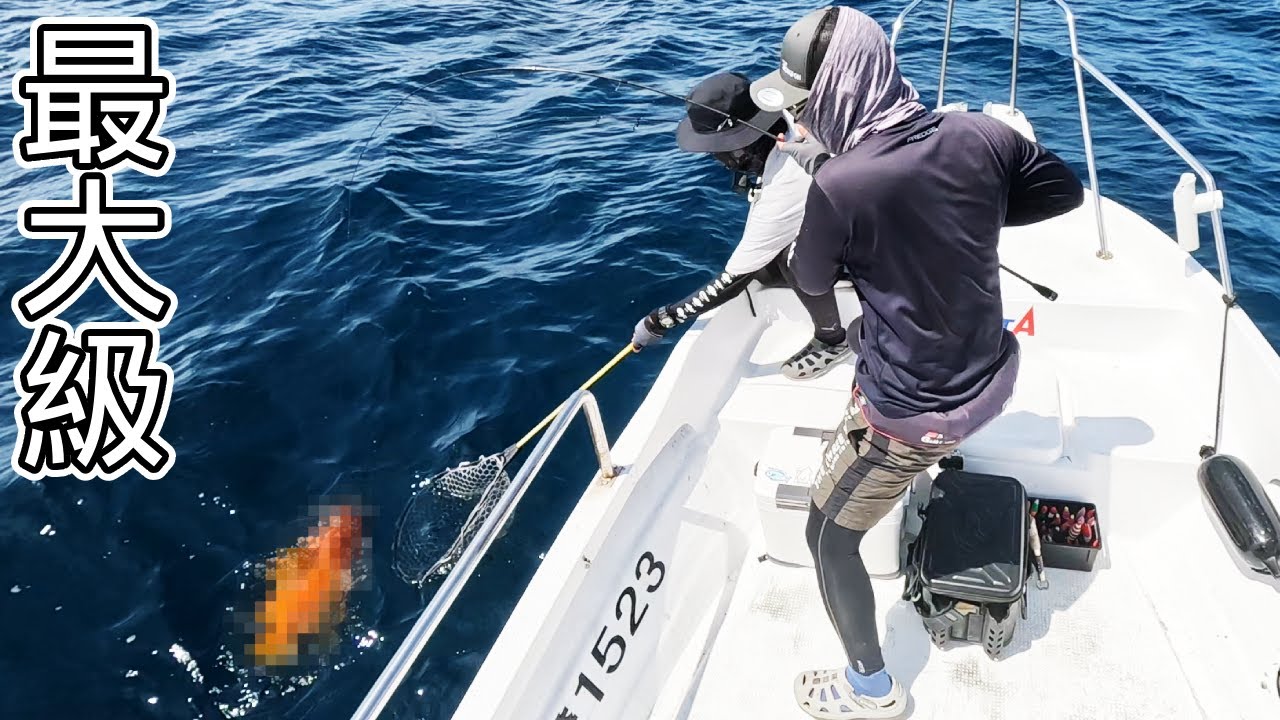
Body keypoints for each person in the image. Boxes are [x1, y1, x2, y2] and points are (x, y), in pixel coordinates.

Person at [752, 6, 1085, 719]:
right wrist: (967, 212)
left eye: (808, 103)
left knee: (827, 538)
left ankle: (869, 690)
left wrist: (827, 178)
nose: (805, 117)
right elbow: (1064, 190)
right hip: (994, 371)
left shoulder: (840, 185)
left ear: (838, 87)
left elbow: (811, 280)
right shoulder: (983, 135)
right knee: (834, 509)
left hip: (913, 413)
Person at [629, 71, 851, 380]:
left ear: (740, 146)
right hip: (882, 218)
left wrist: (659, 321)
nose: (718, 158)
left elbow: (732, 282)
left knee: (790, 260)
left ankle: (833, 340)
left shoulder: (786, 180)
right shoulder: (797, 115)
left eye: (718, 150)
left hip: (886, 252)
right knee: (770, 263)